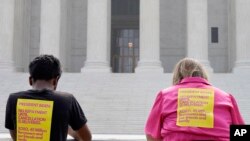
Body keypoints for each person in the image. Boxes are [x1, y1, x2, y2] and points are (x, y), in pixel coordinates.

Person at [145, 58, 244, 141]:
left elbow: (151, 134)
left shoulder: (165, 95)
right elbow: (241, 133)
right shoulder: (226, 98)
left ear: (177, 75)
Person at [5, 55, 92, 141]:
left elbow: (16, 137)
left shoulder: (14, 99)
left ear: (30, 80)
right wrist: (67, 128)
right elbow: (86, 137)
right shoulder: (67, 100)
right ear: (55, 80)